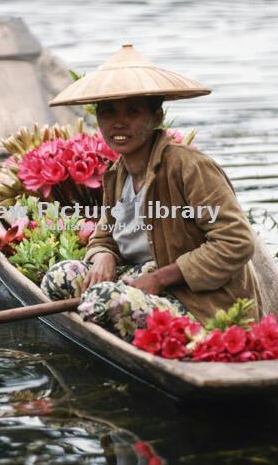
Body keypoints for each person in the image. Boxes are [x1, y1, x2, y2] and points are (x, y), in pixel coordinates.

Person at [40, 44, 262, 338]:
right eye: (108, 112)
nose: (118, 123)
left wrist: (159, 279)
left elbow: (236, 241)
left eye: (132, 111)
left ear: (156, 117)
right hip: (141, 278)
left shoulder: (188, 167)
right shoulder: (117, 172)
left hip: (198, 300)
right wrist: (103, 255)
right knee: (59, 278)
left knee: (102, 300)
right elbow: (105, 235)